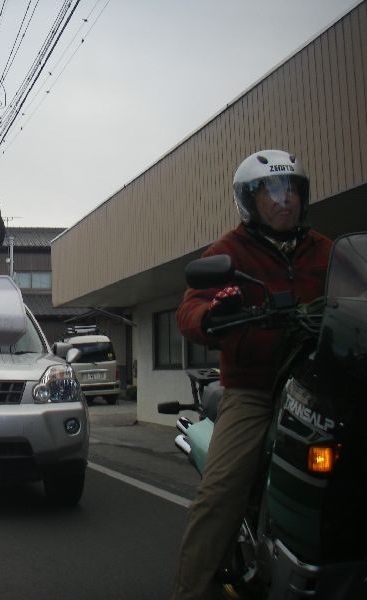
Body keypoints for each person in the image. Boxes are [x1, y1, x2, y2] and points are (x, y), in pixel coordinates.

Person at [171, 149, 332, 600]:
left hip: (322, 384)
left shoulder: (326, 250)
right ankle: (189, 592)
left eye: (292, 189)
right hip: (256, 389)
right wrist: (213, 315)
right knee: (219, 494)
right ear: (250, 200)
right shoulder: (229, 252)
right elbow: (190, 307)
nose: (285, 200)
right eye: (273, 191)